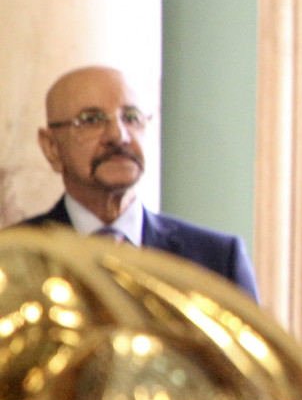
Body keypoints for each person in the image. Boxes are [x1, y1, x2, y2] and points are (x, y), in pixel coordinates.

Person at [13, 65, 259, 301]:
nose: (119, 136)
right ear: (51, 148)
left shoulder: (217, 261)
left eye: (131, 117)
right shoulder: (12, 256)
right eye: (91, 119)